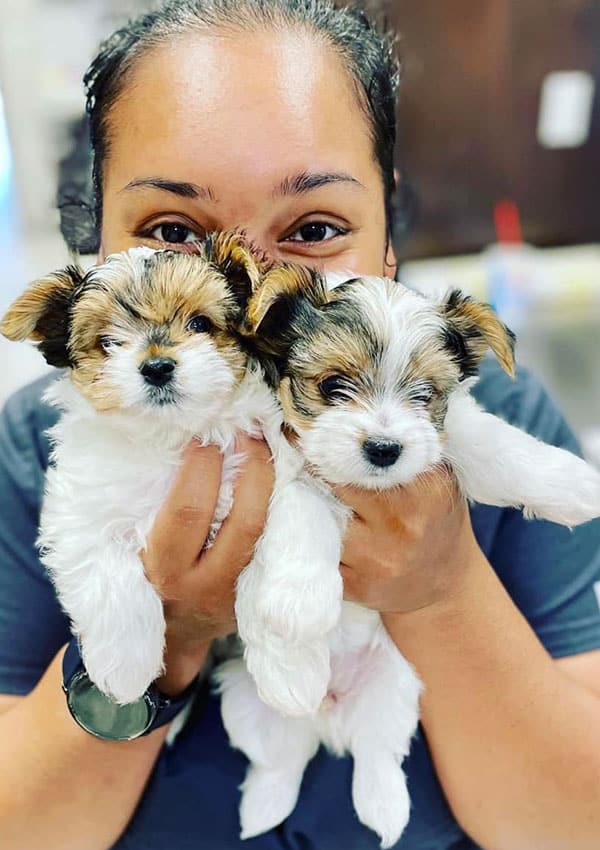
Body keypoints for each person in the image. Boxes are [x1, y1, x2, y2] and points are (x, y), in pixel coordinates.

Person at [1, 2, 600, 848]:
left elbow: (575, 827)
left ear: (388, 241)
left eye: (315, 228)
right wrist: (167, 636)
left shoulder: (492, 415)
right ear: (96, 239)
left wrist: (439, 586)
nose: (250, 290)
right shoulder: (35, 446)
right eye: (173, 232)